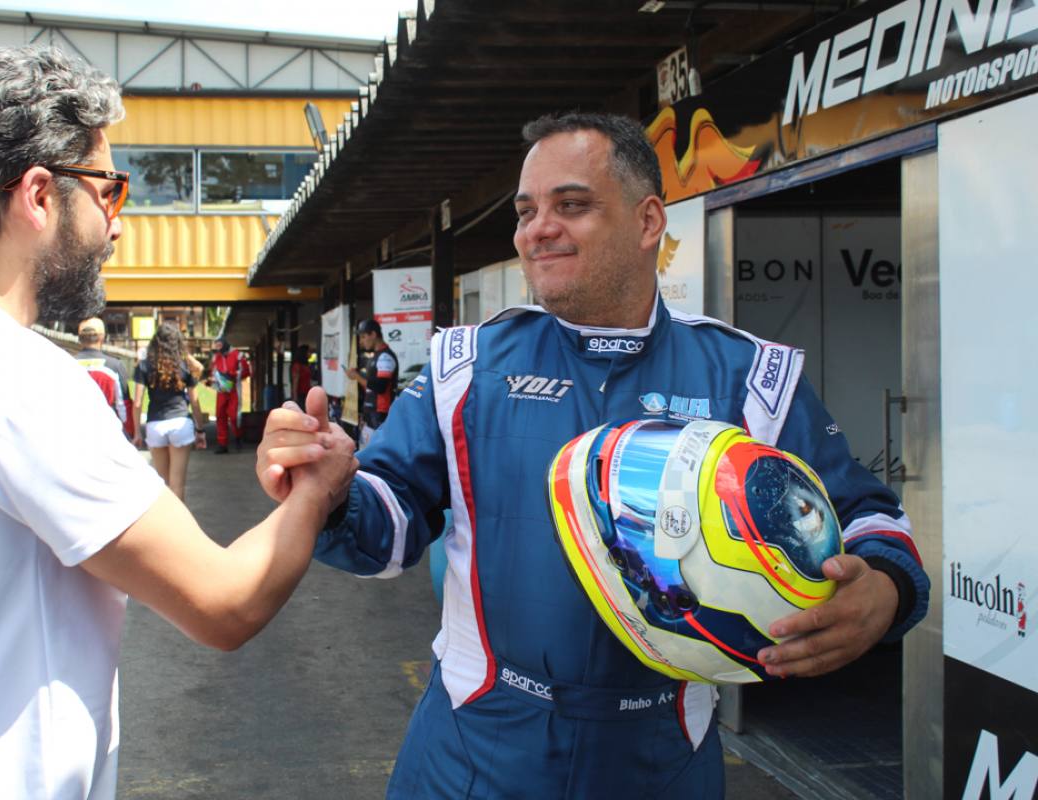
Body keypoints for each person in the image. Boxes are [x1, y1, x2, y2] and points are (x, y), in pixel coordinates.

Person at [259, 112, 930, 798]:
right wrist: (331, 493)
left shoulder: (751, 378)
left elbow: (870, 521)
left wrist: (882, 590)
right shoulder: (465, 364)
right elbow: (389, 529)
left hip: (662, 757)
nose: (537, 229)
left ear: (647, 223)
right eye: (526, 212)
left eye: (571, 205)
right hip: (474, 746)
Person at [0, 45, 356, 800]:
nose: (120, 225)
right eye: (110, 192)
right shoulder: (9, 377)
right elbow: (223, 601)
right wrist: (316, 488)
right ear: (40, 195)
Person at [132, 323, 208, 499]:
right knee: (178, 484)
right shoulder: (184, 366)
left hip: (155, 424)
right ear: (177, 343)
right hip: (181, 423)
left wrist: (137, 432)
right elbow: (195, 402)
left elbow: (137, 402)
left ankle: (166, 524)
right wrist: (201, 430)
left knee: (162, 484)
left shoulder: (144, 366)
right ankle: (180, 525)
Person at [343, 318, 399, 448]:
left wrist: (357, 376)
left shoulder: (385, 356)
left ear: (373, 334)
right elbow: (370, 386)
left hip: (380, 415)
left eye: (363, 337)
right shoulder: (376, 355)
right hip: (371, 414)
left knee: (374, 454)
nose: (361, 341)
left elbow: (380, 387)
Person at [75, 316, 131, 432]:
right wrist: (128, 430)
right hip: (106, 427)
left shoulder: (66, 363)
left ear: (79, 338)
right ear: (102, 337)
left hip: (77, 426)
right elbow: (123, 404)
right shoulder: (114, 365)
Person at [207, 336, 249, 454]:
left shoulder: (237, 355)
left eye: (219, 346)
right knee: (220, 415)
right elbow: (212, 371)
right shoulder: (216, 357)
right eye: (216, 346)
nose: (218, 348)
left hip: (234, 389)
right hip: (221, 389)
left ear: (224, 344)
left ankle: (238, 437)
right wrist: (214, 379)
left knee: (234, 416)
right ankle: (222, 444)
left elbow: (246, 371)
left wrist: (233, 374)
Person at [292, 343, 313, 408]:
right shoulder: (297, 366)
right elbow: (295, 381)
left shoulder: (306, 365)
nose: (311, 353)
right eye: (309, 351)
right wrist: (295, 397)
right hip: (300, 394)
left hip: (307, 392)